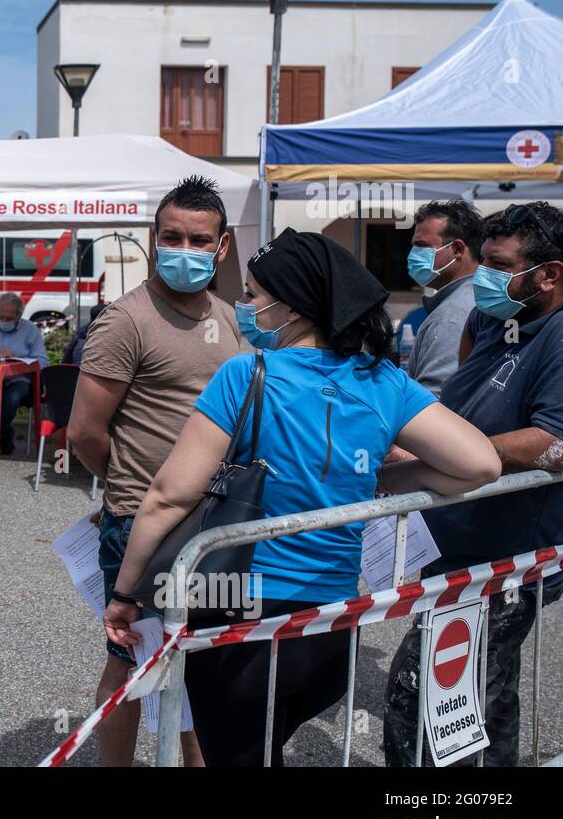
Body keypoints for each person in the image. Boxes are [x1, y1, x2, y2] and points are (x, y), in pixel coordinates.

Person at [101, 228, 501, 767]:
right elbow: (479, 465)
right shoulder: (383, 380)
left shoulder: (246, 372)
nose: (242, 307)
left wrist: (125, 594)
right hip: (331, 629)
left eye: (250, 295)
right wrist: (381, 481)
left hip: (239, 617)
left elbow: (168, 497)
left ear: (289, 307)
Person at [68, 174, 239, 767]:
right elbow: (85, 431)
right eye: (172, 237)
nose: (184, 251)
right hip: (145, 525)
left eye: (199, 240)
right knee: (132, 661)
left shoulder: (231, 318)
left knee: (200, 661)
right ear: (152, 239)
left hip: (216, 523)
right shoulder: (125, 321)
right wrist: (128, 492)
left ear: (221, 247)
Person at [384, 202, 563, 767]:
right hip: (457, 536)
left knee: (426, 692)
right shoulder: (490, 316)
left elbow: (552, 442)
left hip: (509, 552)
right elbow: (462, 388)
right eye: (483, 261)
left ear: (551, 273)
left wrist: (463, 456)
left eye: (500, 264)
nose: (485, 276)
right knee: (490, 691)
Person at [404, 199, 483, 394]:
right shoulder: (472, 298)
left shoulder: (451, 316)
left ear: (457, 249)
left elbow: (434, 399)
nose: (413, 255)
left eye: (422, 246)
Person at [0, 292, 46, 455]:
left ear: (19, 315)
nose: (4, 321)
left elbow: (43, 361)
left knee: (12, 397)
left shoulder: (30, 330)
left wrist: (19, 358)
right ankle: (4, 435)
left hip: (19, 379)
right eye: (1, 317)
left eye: (8, 319)